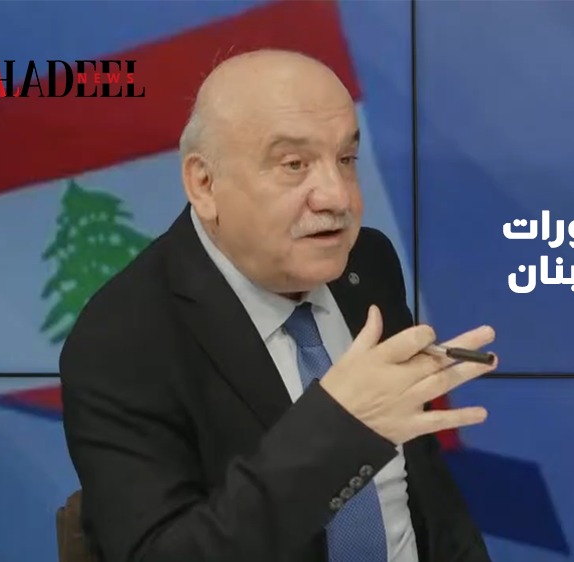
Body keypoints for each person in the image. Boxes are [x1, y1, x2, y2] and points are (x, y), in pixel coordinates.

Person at [59, 49, 496, 562]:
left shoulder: (367, 263)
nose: (338, 197)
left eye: (346, 160)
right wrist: (340, 431)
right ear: (204, 183)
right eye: (294, 165)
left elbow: (425, 492)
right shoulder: (120, 341)